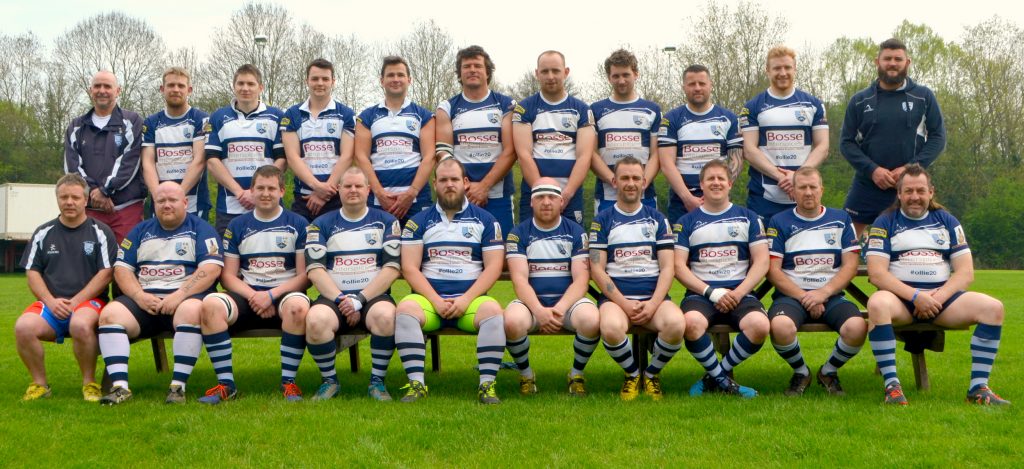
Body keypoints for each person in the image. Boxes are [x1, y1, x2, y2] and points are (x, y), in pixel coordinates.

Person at [865, 164, 1008, 405]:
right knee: (877, 303)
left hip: (942, 302)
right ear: (899, 194)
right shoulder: (884, 222)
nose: (915, 197)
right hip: (901, 301)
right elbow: (877, 274)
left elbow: (965, 272)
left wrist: (936, 298)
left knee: (993, 308)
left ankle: (978, 389)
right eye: (908, 191)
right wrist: (916, 297)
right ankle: (893, 387)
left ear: (931, 192)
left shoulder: (947, 221)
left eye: (920, 191)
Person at [189, 165, 311, 404]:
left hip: (284, 293)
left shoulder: (298, 223)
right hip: (248, 294)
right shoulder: (237, 225)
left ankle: (289, 383)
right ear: (252, 191)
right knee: (211, 305)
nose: (265, 193)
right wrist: (255, 296)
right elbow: (228, 276)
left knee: (298, 307)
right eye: (260, 188)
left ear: (282, 191)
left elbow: (304, 276)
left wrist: (271, 295)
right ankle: (226, 385)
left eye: (271, 188)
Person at [97, 182, 223, 405]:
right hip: (146, 301)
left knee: (192, 311)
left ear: (185, 203)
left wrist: (179, 295)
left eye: (172, 200)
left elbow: (211, 268)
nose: (166, 205)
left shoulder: (202, 229)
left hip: (184, 300)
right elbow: (122, 269)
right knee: (110, 315)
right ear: (154, 204)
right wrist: (139, 296)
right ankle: (120, 388)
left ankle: (177, 387)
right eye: (161, 201)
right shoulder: (140, 231)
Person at [395, 158, 506, 404]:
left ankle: (487, 386)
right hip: (430, 302)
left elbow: (494, 267)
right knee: (405, 310)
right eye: (443, 180)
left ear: (465, 183)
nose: (449, 185)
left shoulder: (486, 220)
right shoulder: (417, 222)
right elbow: (410, 268)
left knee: (493, 312)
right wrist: (435, 300)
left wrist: (465, 300)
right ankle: (416, 385)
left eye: (454, 179)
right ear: (435, 184)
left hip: (471, 302)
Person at [304, 166, 404, 401]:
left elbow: (392, 268)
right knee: (316, 320)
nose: (353, 190)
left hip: (373, 296)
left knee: (386, 317)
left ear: (368, 190)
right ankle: (330, 381)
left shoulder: (387, 221)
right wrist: (342, 299)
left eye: (358, 185)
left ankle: (377, 383)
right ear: (338, 189)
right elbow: (315, 270)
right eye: (347, 186)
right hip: (334, 297)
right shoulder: (320, 224)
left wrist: (359, 300)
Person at [15, 174, 117, 401]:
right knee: (23, 327)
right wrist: (51, 302)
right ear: (57, 199)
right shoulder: (43, 232)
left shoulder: (101, 232)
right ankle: (40, 385)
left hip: (90, 302)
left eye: (75, 197)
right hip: (51, 304)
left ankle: (89, 384)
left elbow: (106, 273)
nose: (69, 202)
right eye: (64, 197)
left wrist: (76, 301)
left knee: (80, 324)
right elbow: (32, 272)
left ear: (85, 200)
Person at [590, 157, 685, 401]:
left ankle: (651, 374)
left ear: (644, 182)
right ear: (614, 182)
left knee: (676, 324)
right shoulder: (602, 220)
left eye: (635, 178)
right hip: (617, 300)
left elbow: (668, 268)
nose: (630, 183)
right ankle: (632, 374)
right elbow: (597, 269)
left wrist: (653, 304)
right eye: (624, 178)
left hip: (653, 298)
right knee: (611, 327)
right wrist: (624, 303)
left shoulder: (658, 219)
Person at [766, 167, 866, 396]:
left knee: (857, 327)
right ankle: (801, 372)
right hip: (791, 297)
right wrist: (806, 297)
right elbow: (773, 271)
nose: (808, 192)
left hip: (831, 296)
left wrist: (823, 293)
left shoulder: (841, 219)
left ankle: (828, 371)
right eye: (802, 187)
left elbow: (850, 265)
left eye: (813, 187)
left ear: (822, 189)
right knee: (780, 327)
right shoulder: (779, 221)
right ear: (793, 191)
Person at [674, 159, 769, 397]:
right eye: (710, 179)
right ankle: (726, 383)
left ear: (730, 183)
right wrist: (711, 292)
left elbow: (762, 261)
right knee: (691, 324)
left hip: (740, 293)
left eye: (720, 178)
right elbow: (678, 266)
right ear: (701, 185)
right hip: (700, 294)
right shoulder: (686, 222)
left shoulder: (749, 217)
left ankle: (715, 377)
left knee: (759, 326)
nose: (716, 183)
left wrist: (738, 293)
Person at [504, 178, 600, 396]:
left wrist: (559, 309)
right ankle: (526, 375)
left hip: (567, 305)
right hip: (532, 305)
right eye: (540, 197)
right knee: (511, 321)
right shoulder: (518, 234)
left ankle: (576, 374)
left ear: (561, 202)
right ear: (531, 202)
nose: (546, 202)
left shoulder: (576, 232)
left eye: (552, 197)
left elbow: (581, 280)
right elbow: (519, 280)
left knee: (592, 319)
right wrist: (539, 311)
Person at [841, 38, 946, 238]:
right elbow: (846, 143)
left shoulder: (923, 96)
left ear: (907, 62)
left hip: (909, 185)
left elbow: (938, 138)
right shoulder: (860, 100)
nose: (892, 63)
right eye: (887, 58)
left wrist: (909, 168)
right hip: (867, 183)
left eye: (898, 59)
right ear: (877, 62)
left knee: (912, 241)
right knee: (847, 241)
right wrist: (873, 170)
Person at [435, 45, 517, 235]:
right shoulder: (446, 107)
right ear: (459, 73)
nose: (472, 70)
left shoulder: (506, 105)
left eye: (477, 66)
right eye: (466, 66)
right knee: (461, 250)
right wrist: (465, 186)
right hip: (460, 195)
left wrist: (484, 186)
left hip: (498, 196)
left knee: (501, 250)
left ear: (487, 72)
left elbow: (511, 151)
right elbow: (443, 152)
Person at [739, 46, 829, 220]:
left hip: (804, 195)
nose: (782, 73)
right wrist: (781, 176)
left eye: (787, 67)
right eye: (777, 68)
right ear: (767, 70)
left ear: (795, 69)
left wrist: (798, 177)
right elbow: (749, 150)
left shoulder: (813, 104)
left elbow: (823, 147)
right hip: (764, 198)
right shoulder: (752, 107)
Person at [513, 50, 595, 225]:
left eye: (555, 71)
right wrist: (543, 194)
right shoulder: (524, 108)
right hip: (534, 193)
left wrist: (566, 194)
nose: (550, 76)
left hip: (570, 195)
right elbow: (524, 155)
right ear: (537, 74)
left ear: (566, 72)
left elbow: (584, 156)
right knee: (530, 240)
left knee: (572, 240)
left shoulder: (582, 110)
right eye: (545, 71)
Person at [63, 70, 145, 243]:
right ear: (90, 90)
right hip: (89, 210)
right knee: (89, 258)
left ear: (118, 91)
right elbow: (73, 168)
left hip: (126, 209)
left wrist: (105, 190)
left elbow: (130, 162)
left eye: (107, 86)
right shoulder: (76, 126)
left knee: (125, 258)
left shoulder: (132, 121)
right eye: (97, 86)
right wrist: (95, 194)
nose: (102, 90)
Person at [205, 64, 286, 235]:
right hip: (230, 207)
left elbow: (282, 159)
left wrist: (257, 192)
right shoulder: (218, 117)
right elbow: (212, 161)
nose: (245, 88)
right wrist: (240, 193)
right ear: (234, 86)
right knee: (229, 252)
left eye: (251, 84)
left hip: (269, 205)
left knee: (269, 251)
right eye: (240, 83)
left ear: (260, 87)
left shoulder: (276, 116)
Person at [354, 56, 435, 225]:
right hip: (378, 201)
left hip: (416, 200)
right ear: (382, 81)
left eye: (400, 75)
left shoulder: (424, 115)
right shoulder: (366, 117)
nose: (396, 79)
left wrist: (412, 192)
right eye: (390, 75)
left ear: (409, 80)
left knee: (417, 242)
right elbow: (361, 157)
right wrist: (379, 193)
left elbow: (429, 157)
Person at [659, 64, 743, 223]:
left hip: (719, 199)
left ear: (711, 85)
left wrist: (715, 192)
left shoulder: (729, 118)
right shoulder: (671, 119)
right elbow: (666, 164)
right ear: (684, 87)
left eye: (702, 83)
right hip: (682, 203)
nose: (697, 88)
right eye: (692, 84)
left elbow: (736, 160)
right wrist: (687, 198)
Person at [282, 58, 357, 222]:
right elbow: (292, 157)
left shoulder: (346, 114)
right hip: (303, 199)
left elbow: (347, 156)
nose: (320, 83)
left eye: (325, 79)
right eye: (315, 79)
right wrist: (316, 187)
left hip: (336, 198)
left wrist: (325, 192)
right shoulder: (292, 114)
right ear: (307, 81)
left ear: (333, 81)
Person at [590, 49, 661, 215]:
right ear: (609, 77)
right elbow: (591, 154)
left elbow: (656, 154)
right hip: (608, 196)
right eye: (616, 76)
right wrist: (614, 181)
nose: (621, 81)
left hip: (644, 196)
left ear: (636, 74)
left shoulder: (652, 110)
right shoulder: (595, 110)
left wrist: (642, 182)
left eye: (626, 75)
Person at [141, 67, 211, 220]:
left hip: (194, 204)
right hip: (160, 204)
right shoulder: (151, 122)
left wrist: (177, 196)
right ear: (162, 89)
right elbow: (147, 163)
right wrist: (159, 196)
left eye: (181, 86)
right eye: (171, 85)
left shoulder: (201, 119)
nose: (176, 90)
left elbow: (199, 161)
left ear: (189, 90)